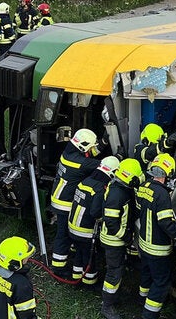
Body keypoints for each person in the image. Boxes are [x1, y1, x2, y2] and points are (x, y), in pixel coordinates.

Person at [49, 128, 101, 278]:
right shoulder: (79, 162)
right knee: (63, 234)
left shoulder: (69, 152)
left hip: (59, 198)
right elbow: (96, 165)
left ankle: (69, 256)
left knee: (66, 233)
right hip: (64, 203)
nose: (91, 150)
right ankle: (58, 268)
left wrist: (102, 144)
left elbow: (88, 156)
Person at [99, 158, 143, 319]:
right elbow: (111, 222)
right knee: (114, 272)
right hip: (113, 240)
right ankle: (107, 305)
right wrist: (125, 237)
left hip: (118, 238)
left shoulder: (123, 187)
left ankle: (113, 297)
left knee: (117, 269)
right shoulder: (117, 194)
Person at [136, 154, 176, 319]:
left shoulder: (144, 186)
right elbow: (166, 223)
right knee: (161, 282)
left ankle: (142, 299)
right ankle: (150, 314)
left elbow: (141, 207)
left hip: (144, 242)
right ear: (168, 173)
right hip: (158, 248)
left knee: (146, 274)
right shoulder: (162, 195)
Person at [68, 156, 120, 286]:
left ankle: (76, 276)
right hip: (85, 231)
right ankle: (89, 283)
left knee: (79, 253)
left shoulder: (86, 181)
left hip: (72, 227)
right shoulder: (99, 189)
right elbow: (95, 213)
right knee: (89, 257)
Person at [0, 236, 38, 319]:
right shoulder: (22, 285)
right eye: (25, 258)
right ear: (15, 264)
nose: (28, 259)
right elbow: (26, 315)